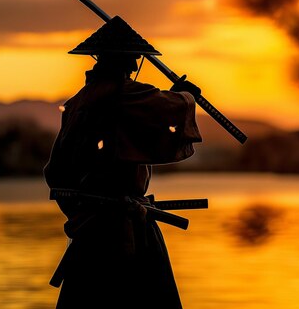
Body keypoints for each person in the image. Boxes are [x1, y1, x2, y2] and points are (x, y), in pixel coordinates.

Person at [43, 16, 202, 309]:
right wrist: (188, 97)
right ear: (128, 61)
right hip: (120, 230)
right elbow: (172, 107)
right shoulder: (124, 95)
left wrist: (82, 213)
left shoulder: (78, 102)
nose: (133, 68)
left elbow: (56, 173)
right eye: (132, 61)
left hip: (90, 231)